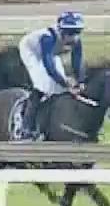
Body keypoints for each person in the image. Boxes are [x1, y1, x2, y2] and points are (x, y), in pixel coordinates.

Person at [15, 11, 86, 139]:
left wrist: (80, 81)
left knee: (59, 89)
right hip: (31, 51)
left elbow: (77, 61)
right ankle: (26, 127)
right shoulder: (47, 38)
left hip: (51, 53)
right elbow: (49, 67)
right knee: (42, 85)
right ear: (62, 31)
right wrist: (64, 82)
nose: (74, 37)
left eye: (77, 32)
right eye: (70, 33)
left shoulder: (76, 41)